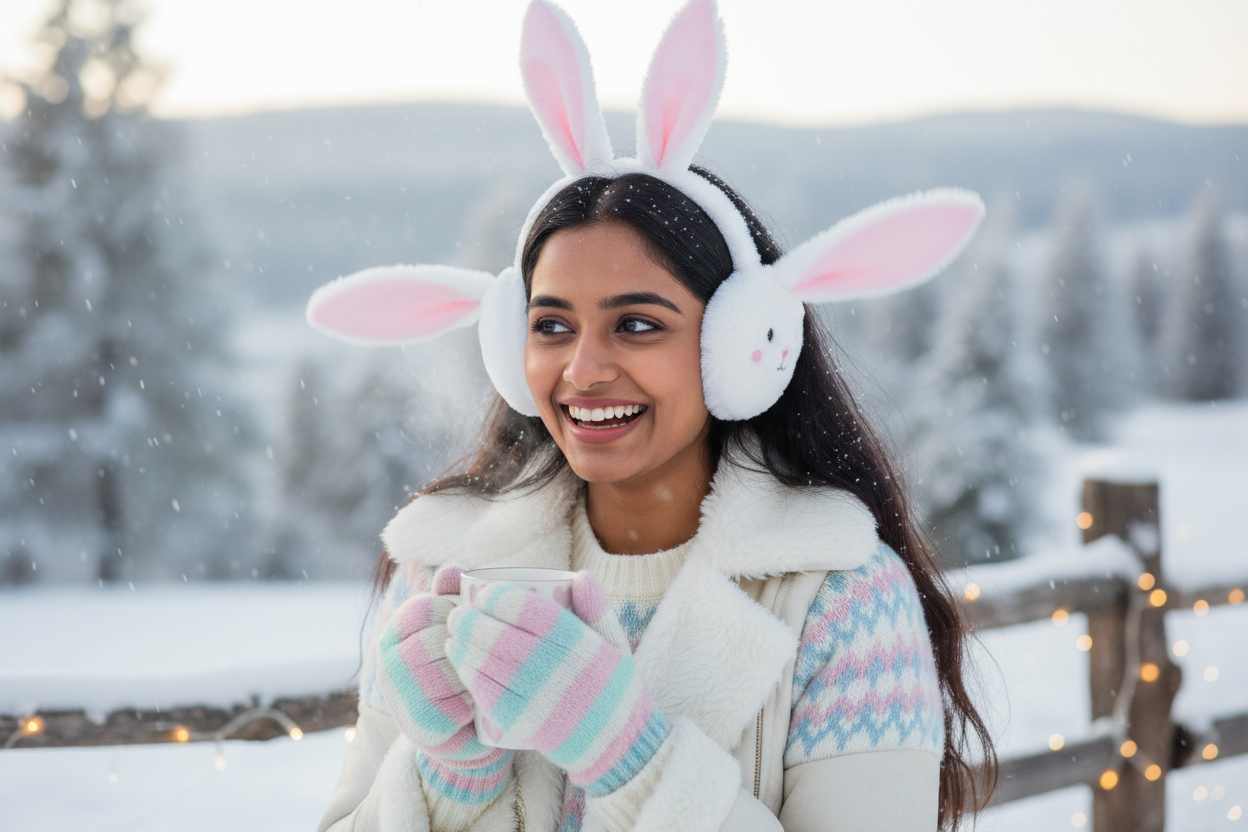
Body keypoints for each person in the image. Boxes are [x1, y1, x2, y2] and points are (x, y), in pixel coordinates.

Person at [309, 2, 996, 830]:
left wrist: (626, 756)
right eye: (551, 326)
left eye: (637, 325)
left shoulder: (844, 604)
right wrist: (452, 780)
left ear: (740, 345)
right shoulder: (439, 575)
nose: (583, 370)